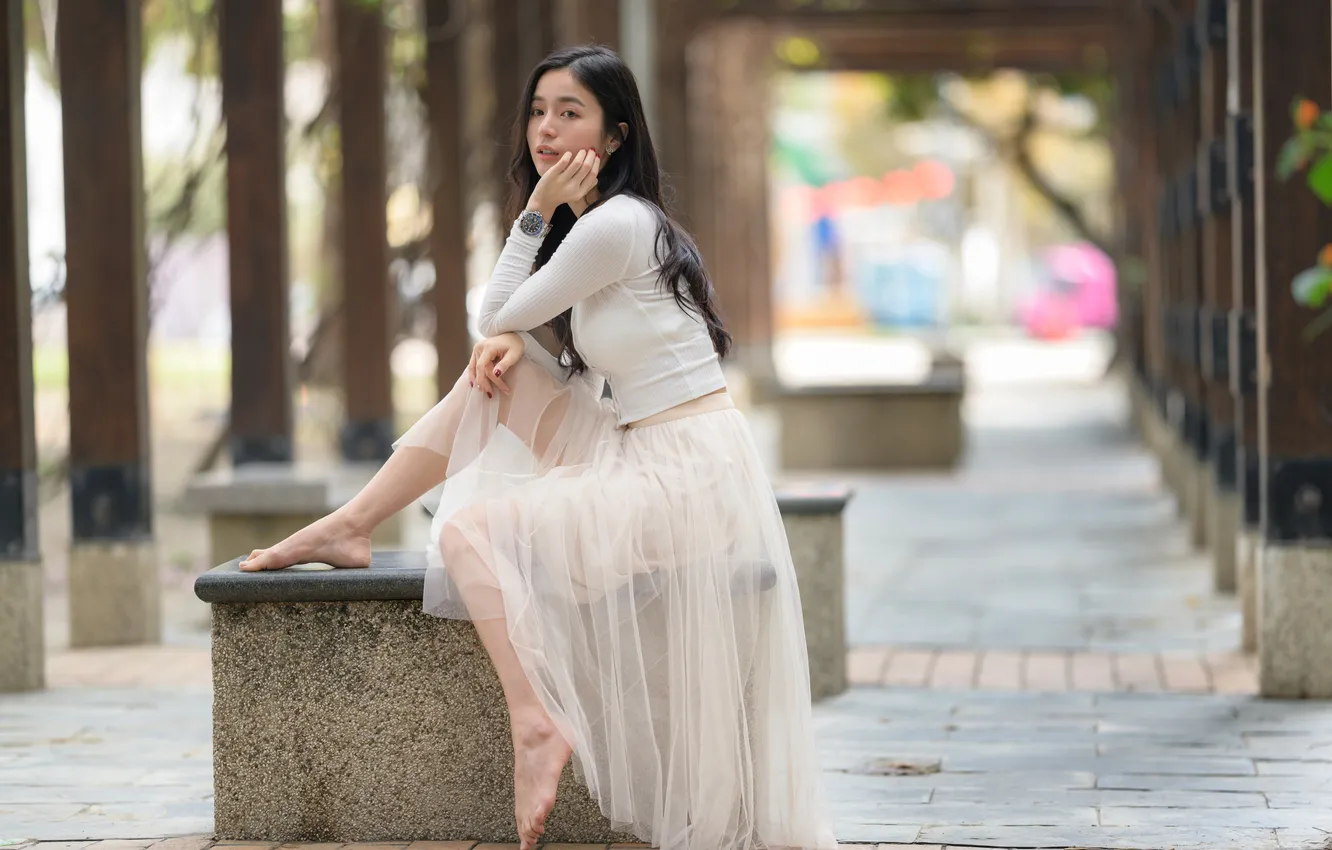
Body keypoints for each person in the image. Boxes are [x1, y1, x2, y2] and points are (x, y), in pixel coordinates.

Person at [238, 44, 837, 850]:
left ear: (615, 137)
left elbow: (495, 308)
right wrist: (526, 346)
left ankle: (535, 723)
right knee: (491, 373)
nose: (546, 131)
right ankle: (350, 525)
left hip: (683, 476)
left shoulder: (616, 224)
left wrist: (532, 226)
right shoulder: (604, 227)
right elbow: (512, 330)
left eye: (571, 113)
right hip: (651, 445)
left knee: (467, 532)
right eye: (538, 111)